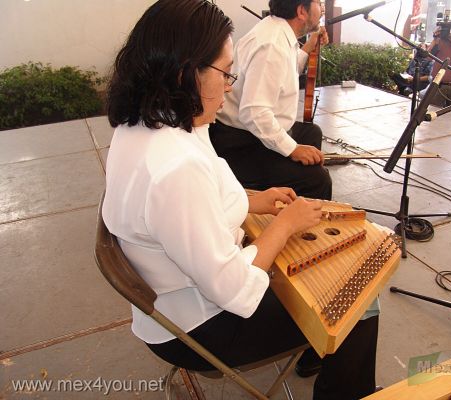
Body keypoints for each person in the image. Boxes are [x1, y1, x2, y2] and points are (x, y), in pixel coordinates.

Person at [103, 1, 379, 399]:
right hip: (201, 327)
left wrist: (254, 200)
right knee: (359, 302)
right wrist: (285, 225)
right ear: (186, 73)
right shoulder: (175, 168)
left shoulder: (146, 124)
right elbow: (233, 289)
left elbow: (186, 208)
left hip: (176, 304)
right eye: (226, 72)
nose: (230, 85)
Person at [209, 0, 332, 201]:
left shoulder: (276, 30)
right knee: (317, 180)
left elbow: (283, 73)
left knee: (311, 133)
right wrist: (292, 149)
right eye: (319, 3)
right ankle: (295, 223)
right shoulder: (272, 45)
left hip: (248, 132)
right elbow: (254, 112)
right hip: (239, 143)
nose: (323, 9)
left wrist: (308, 47)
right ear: (301, 11)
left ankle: (291, 210)